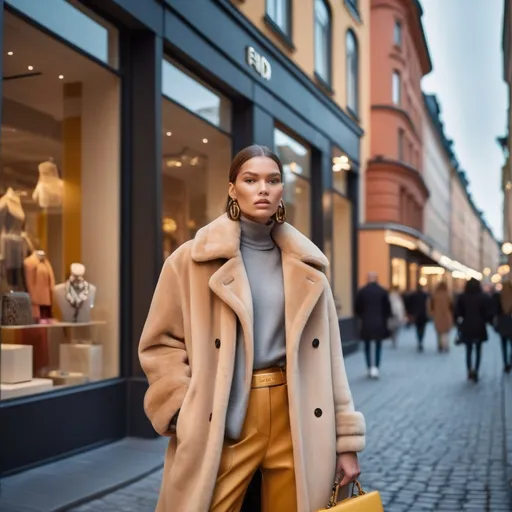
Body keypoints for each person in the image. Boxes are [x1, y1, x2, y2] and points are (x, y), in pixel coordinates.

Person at [138, 145, 366, 512]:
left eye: (273, 180)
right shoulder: (190, 261)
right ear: (232, 189)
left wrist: (346, 442)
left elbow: (332, 364)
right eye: (251, 179)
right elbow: (160, 343)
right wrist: (182, 410)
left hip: (298, 418)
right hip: (226, 415)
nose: (263, 189)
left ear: (281, 192)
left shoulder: (308, 270)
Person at [355, 272, 392, 379]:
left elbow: (357, 308)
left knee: (366, 346)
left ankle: (369, 366)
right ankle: (375, 367)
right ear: (376, 279)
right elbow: (387, 309)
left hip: (366, 322)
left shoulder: (362, 292)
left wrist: (362, 317)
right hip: (379, 322)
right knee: (378, 345)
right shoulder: (382, 291)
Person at [455, 278, 491, 383]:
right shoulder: (483, 297)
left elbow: (458, 312)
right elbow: (487, 312)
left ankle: (469, 370)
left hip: (467, 326)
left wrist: (459, 321)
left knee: (469, 350)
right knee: (478, 350)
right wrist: (485, 320)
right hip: (479, 326)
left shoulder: (463, 297)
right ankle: (476, 370)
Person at [428, 281, 453, 353]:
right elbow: (451, 306)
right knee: (446, 332)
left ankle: (440, 345)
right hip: (446, 316)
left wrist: (432, 313)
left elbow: (431, 306)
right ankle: (446, 345)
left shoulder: (435, 295)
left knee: (439, 332)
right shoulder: (448, 295)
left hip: (437, 316)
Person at [494, 280, 512, 374]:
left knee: (504, 345)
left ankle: (505, 363)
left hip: (502, 324)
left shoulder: (498, 297)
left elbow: (495, 311)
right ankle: (510, 362)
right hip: (510, 323)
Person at [407, 284, 430, 352]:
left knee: (418, 328)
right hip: (423, 315)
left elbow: (409, 305)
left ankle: (419, 340)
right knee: (422, 329)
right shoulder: (425, 295)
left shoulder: (413, 295)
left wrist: (410, 313)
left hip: (416, 314)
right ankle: (421, 339)